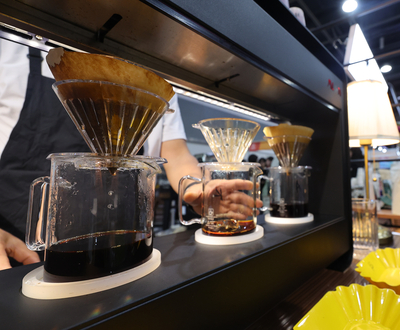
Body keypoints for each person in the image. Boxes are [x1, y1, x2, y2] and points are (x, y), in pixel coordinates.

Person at [0, 41, 259, 269]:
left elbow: (178, 156)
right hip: (19, 254)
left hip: (130, 250)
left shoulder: (156, 86)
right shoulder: (15, 46)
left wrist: (197, 188)